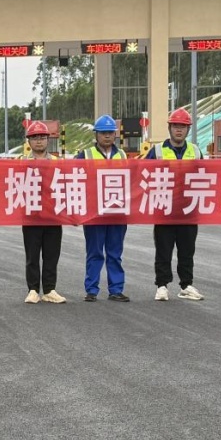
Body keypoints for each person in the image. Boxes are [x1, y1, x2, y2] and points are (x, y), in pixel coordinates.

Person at [144, 108, 205, 301]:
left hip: (188, 210)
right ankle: (162, 285)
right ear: (170, 128)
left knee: (187, 250)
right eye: (176, 126)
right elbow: (143, 175)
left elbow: (206, 176)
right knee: (163, 250)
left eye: (183, 127)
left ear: (188, 130)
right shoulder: (157, 151)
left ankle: (186, 285)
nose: (179, 130)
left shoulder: (196, 151)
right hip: (164, 209)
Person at [74, 115, 130, 302]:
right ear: (96, 135)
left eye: (110, 133)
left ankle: (116, 289)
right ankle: (91, 290)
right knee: (95, 252)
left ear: (115, 135)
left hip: (116, 212)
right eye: (103, 133)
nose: (107, 136)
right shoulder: (85, 155)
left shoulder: (122, 155)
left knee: (115, 253)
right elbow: (75, 179)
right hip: (94, 213)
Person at [20, 122, 65, 304]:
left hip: (53, 215)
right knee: (32, 255)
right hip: (31, 215)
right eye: (35, 137)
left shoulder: (57, 162)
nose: (39, 141)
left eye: (42, 137)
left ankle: (49, 289)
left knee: (51, 254)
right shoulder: (21, 162)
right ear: (29, 141)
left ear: (48, 140)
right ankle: (32, 290)